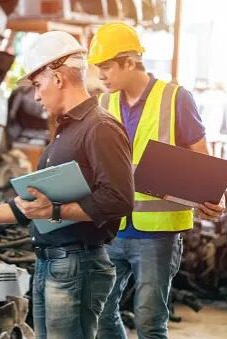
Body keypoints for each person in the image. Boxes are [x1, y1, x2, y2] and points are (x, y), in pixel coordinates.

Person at [0, 31, 134, 339]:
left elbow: (119, 199)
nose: (37, 96)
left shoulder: (100, 128)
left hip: (77, 265)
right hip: (53, 263)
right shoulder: (67, 130)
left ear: (57, 78)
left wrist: (55, 211)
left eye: (38, 85)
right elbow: (35, 205)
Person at [87, 22, 226, 339]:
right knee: (102, 313)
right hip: (113, 229)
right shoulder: (103, 104)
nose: (101, 75)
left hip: (157, 234)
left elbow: (202, 159)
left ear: (130, 62)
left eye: (106, 67)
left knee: (150, 320)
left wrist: (211, 199)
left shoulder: (175, 98)